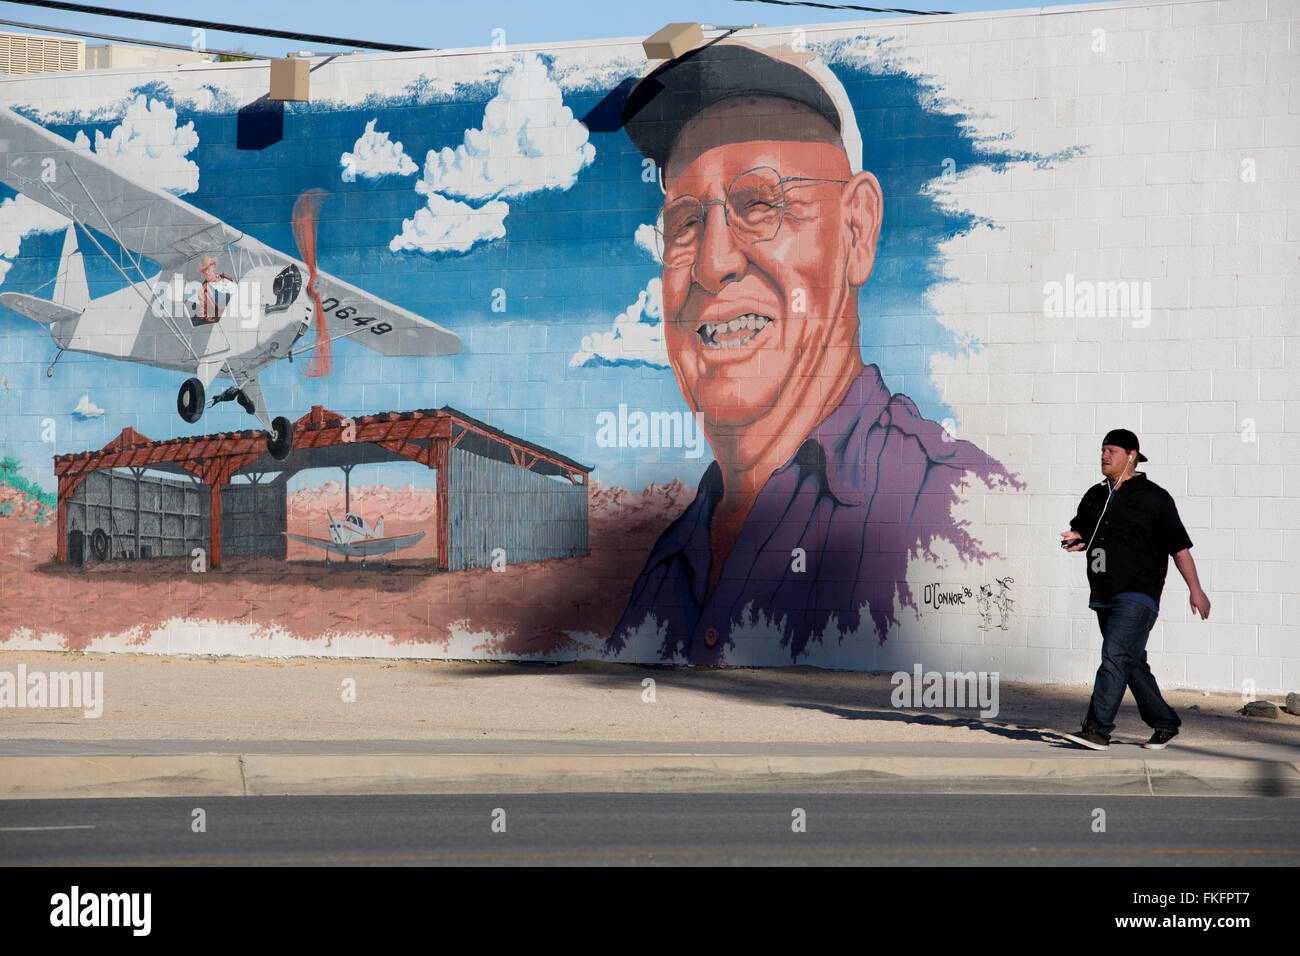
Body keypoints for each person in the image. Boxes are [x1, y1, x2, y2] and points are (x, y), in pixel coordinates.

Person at [608, 42, 1022, 664]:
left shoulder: (958, 510)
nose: (713, 263)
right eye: (685, 222)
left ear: (856, 231)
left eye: (760, 205)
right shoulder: (668, 564)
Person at [1060, 429, 1210, 751]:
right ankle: (1165, 723)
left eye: (1111, 450)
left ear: (1131, 455)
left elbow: (1179, 549)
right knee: (1130, 663)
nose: (1104, 456)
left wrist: (1195, 589)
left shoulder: (1154, 498)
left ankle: (1097, 730)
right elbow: (1085, 531)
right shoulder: (1095, 496)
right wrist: (1076, 538)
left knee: (1114, 655)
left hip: (1139, 595)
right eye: (1102, 450)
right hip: (1103, 594)